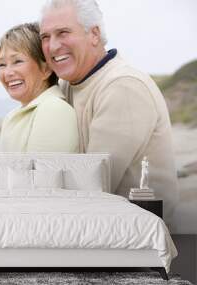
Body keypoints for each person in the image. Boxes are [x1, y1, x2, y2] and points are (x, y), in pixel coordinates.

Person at [39, 0, 178, 227]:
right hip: (102, 227)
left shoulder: (123, 86)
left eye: (63, 32)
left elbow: (92, 186)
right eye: (45, 37)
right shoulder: (68, 85)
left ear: (94, 34)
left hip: (141, 237)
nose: (53, 46)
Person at [0, 23, 78, 153]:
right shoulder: (11, 116)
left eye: (17, 61)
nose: (7, 73)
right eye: (2, 64)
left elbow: (42, 172)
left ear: (46, 69)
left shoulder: (54, 109)